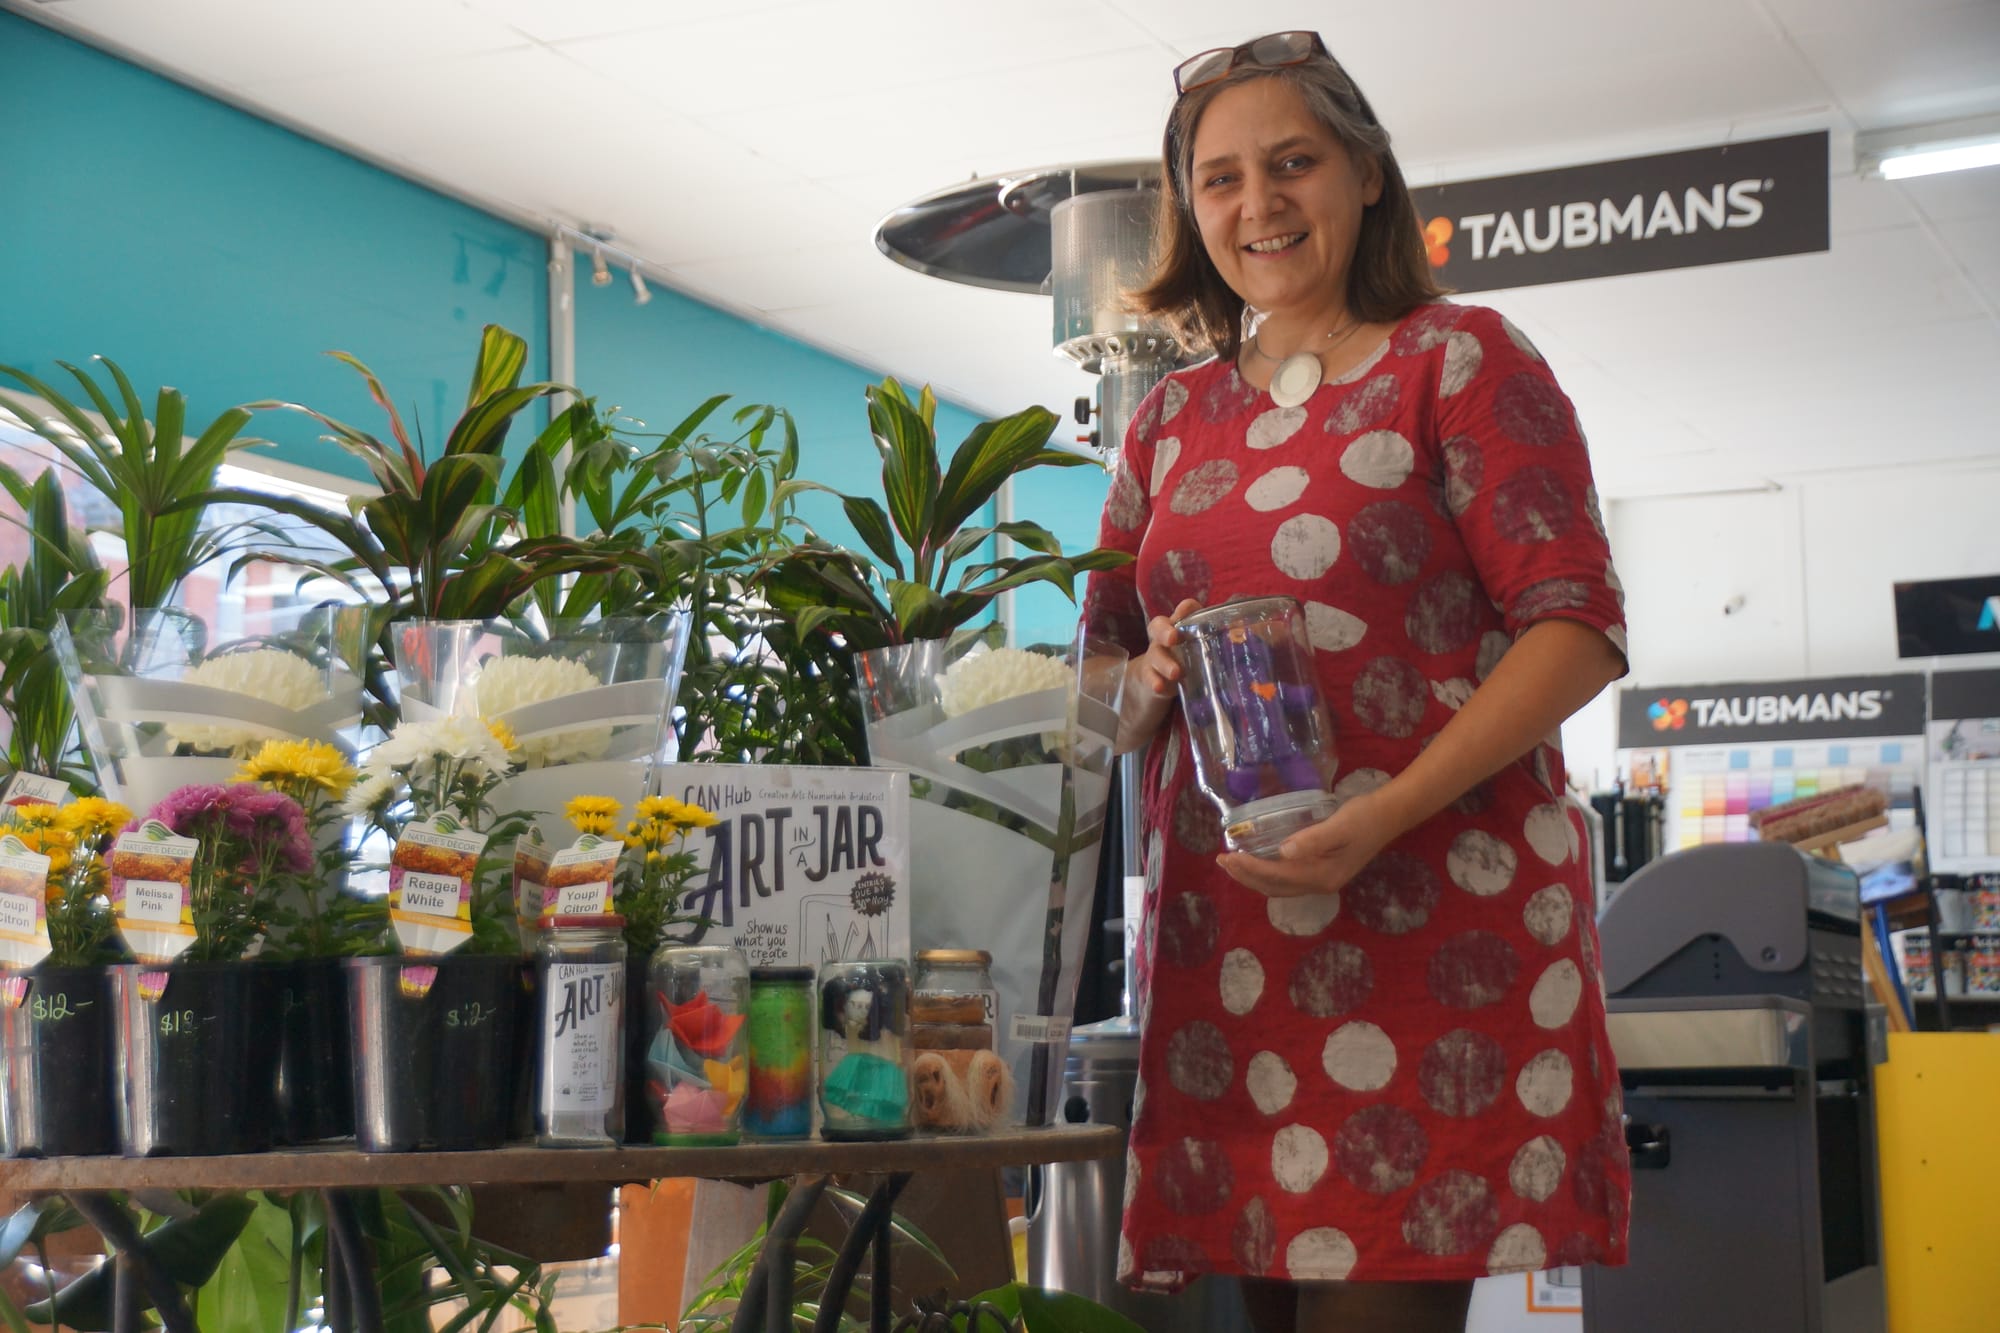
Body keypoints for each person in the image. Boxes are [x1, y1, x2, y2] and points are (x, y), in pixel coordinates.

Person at [1081, 31, 1632, 1333]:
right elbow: (1095, 684)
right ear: (1190, 211)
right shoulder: (1167, 423)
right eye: (1220, 179)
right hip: (1232, 960)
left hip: (1431, 938)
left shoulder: (1459, 360)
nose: (1258, 204)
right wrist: (1145, 682)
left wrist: (1378, 815)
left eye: (1293, 163)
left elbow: (1576, 627)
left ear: (1365, 173)